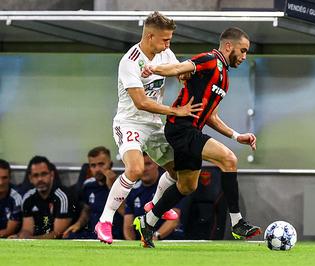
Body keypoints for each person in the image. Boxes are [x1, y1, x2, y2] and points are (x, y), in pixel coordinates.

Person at [135, 27, 261, 248]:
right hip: (181, 128)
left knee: (187, 187)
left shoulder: (224, 77)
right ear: (228, 46)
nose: (244, 57)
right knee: (229, 159)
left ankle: (148, 221)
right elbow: (180, 67)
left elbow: (210, 115)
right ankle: (237, 223)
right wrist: (153, 68)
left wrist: (236, 135)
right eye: (242, 51)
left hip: (189, 130)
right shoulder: (210, 59)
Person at [95, 11, 202, 244]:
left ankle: (155, 204)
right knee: (135, 169)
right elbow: (141, 102)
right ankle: (104, 220)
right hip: (129, 122)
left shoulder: (165, 54)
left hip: (154, 125)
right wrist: (177, 112)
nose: (168, 44)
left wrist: (185, 77)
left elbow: (178, 70)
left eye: (170, 40)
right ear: (150, 36)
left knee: (178, 171)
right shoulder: (130, 61)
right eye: (165, 40)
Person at [63, 146, 124, 240]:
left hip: (115, 235)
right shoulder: (88, 185)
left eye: (101, 164)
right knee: (68, 237)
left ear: (110, 164)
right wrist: (78, 224)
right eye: (93, 165)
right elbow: (87, 210)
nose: (97, 169)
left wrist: (112, 187)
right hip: (92, 235)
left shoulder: (123, 185)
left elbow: (126, 213)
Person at [10, 156, 72, 239]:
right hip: (35, 243)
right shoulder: (27, 197)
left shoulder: (63, 197)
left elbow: (57, 234)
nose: (40, 179)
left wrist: (30, 240)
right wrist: (21, 237)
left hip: (59, 245)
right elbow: (27, 229)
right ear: (30, 178)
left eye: (44, 174)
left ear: (52, 175)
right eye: (36, 175)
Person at [124, 153, 182, 241]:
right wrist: (132, 244)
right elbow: (128, 225)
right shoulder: (133, 190)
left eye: (148, 164)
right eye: (141, 165)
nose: (144, 169)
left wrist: (154, 237)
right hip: (142, 241)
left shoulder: (169, 185)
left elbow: (174, 220)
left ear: (157, 164)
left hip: (167, 240)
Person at [0, 159, 22, 238]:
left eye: (4, 178)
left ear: (10, 178)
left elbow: (9, 231)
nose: (1, 182)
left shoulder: (17, 197)